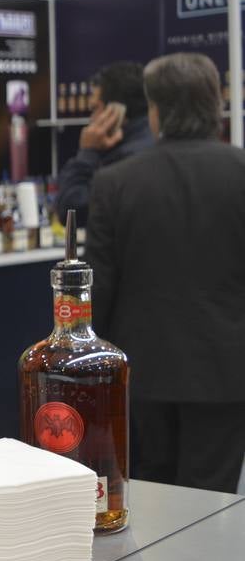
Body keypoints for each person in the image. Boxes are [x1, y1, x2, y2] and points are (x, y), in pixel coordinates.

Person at [87, 52, 245, 493]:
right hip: (228, 373)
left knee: (151, 491)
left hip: (143, 372)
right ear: (216, 104)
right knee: (213, 497)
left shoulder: (115, 183)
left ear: (155, 111)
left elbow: (99, 289)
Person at [57, 62, 154, 228]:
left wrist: (87, 152)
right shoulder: (159, 143)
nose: (92, 119)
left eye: (95, 109)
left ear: (115, 112)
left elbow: (71, 209)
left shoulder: (125, 162)